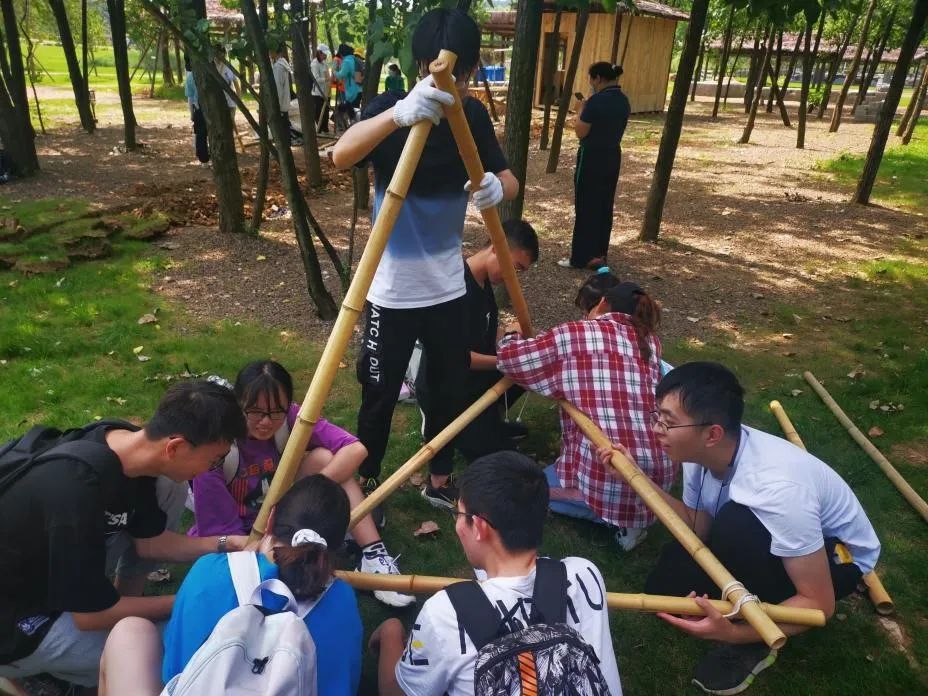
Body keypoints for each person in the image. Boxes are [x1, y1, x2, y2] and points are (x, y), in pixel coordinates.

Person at [596, 361, 881, 695]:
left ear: (712, 433)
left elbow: (819, 604)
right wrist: (635, 478)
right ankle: (744, 598)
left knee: (736, 524)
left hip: (837, 560)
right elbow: (699, 527)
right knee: (664, 587)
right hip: (768, 537)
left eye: (668, 422)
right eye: (657, 416)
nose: (657, 429)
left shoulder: (777, 489)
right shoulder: (702, 454)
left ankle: (755, 639)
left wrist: (733, 633)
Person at [332, 8, 518, 509]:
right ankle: (366, 479)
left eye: (461, 74)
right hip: (390, 289)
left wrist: (497, 188)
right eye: (439, 70)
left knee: (449, 386)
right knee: (379, 389)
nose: (452, 83)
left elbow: (509, 179)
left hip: (447, 287)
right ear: (420, 63)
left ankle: (437, 477)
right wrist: (397, 115)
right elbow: (341, 154)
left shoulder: (472, 116)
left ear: (472, 69)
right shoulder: (393, 106)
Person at [0, 381, 248, 690]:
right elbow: (89, 616)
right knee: (166, 649)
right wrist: (188, 601)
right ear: (175, 447)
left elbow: (150, 543)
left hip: (55, 575)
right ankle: (30, 672)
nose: (212, 469)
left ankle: (123, 608)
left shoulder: (125, 445)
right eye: (214, 460)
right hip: (18, 620)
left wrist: (227, 544)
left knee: (169, 487)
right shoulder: (76, 491)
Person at [369, 451, 622, 695]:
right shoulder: (585, 573)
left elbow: (396, 692)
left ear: (479, 527)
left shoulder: (445, 614)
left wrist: (391, 631)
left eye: (459, 514)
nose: (457, 525)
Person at [189, 360, 414, 608]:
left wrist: (306, 495)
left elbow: (355, 449)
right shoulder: (216, 451)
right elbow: (221, 535)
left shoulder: (292, 419)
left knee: (324, 458)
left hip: (286, 514)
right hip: (246, 535)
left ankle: (374, 556)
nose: (266, 422)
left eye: (276, 412)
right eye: (255, 412)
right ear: (238, 404)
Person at [497, 280, 672, 551]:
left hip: (612, 473)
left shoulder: (576, 333)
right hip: (658, 479)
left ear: (602, 303)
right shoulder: (650, 341)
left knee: (528, 490)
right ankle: (633, 517)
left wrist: (511, 334)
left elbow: (511, 359)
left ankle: (613, 519)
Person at [163, 475, 363, 695]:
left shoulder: (208, 569)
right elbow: (343, 684)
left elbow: (173, 669)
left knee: (137, 630)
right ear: (334, 548)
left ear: (270, 519)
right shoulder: (342, 599)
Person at [416, 219, 539, 460]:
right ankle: (450, 429)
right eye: (515, 267)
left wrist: (511, 336)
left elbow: (487, 330)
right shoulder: (456, 288)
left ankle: (489, 421)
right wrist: (508, 360)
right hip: (448, 392)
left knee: (530, 370)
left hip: (474, 382)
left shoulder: (484, 283)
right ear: (495, 247)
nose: (513, 277)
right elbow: (459, 358)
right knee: (507, 460)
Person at [558, 62, 630, 270]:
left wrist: (580, 111)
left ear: (598, 78)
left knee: (585, 205)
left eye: (591, 78)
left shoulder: (595, 102)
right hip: (612, 156)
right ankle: (600, 253)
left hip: (591, 157)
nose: (590, 82)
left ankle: (580, 257)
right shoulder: (623, 100)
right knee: (604, 205)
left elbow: (581, 132)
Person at [271, 43, 303, 145]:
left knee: (282, 130)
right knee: (285, 127)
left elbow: (278, 88)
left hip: (280, 104)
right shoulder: (282, 65)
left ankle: (284, 147)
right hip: (284, 103)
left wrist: (276, 104)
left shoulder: (278, 67)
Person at [183, 53, 209, 164]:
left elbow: (190, 98)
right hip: (209, 109)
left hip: (199, 110)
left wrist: (192, 114)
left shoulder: (190, 77)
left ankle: (203, 160)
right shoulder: (208, 74)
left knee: (200, 136)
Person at [333, 44, 362, 124]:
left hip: (352, 91)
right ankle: (352, 124)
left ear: (342, 53)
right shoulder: (354, 59)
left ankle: (353, 126)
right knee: (353, 109)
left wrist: (334, 72)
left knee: (350, 111)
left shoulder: (347, 61)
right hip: (359, 89)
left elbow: (342, 74)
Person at [311, 44, 332, 133]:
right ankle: (319, 129)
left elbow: (327, 74)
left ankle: (325, 128)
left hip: (326, 91)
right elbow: (316, 79)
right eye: (324, 54)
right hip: (317, 93)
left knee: (326, 111)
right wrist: (326, 79)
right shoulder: (314, 64)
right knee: (318, 112)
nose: (326, 56)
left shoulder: (324, 63)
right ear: (319, 53)